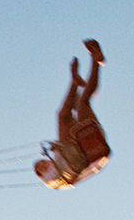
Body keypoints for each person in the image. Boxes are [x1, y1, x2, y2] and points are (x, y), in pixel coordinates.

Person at [34, 40, 108, 188]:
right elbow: (66, 180)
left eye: (41, 163)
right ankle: (77, 79)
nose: (42, 165)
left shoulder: (57, 158)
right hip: (81, 158)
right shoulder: (52, 180)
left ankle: (93, 64)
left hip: (82, 146)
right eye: (40, 168)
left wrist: (55, 147)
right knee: (70, 111)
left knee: (78, 106)